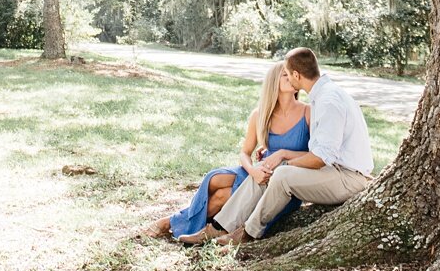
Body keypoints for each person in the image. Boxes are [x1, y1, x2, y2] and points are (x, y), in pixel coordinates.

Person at [183, 47, 372, 245]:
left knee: (280, 174)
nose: (288, 79)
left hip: (348, 178)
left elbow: (319, 158)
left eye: (289, 75)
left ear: (297, 75)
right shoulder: (325, 95)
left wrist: (283, 159)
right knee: (272, 170)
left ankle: (247, 233)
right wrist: (279, 158)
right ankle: (218, 228)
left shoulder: (328, 101)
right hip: (335, 171)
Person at [144, 61, 309, 241]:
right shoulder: (260, 114)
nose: (292, 77)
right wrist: (253, 171)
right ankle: (198, 227)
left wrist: (283, 153)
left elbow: (317, 156)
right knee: (214, 178)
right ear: (273, 81)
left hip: (280, 179)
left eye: (294, 74)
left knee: (223, 195)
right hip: (259, 171)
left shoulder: (308, 112)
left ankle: (172, 223)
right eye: (286, 74)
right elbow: (245, 152)